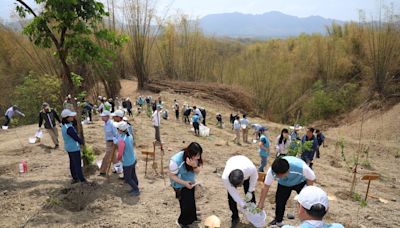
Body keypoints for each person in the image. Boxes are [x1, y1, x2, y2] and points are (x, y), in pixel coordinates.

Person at [258, 156, 316, 227]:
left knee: (306, 202)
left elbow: (311, 178)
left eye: (281, 176)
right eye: (277, 176)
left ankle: (309, 222)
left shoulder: (301, 167)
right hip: (284, 184)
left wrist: (307, 193)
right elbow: (266, 186)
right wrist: (261, 203)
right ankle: (278, 220)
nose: (278, 177)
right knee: (279, 201)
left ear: (288, 171)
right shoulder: (272, 171)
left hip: (300, 182)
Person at [169, 142, 203, 228]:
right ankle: (182, 222)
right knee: (185, 205)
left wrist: (194, 166)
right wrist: (184, 183)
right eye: (196, 155)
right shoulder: (175, 161)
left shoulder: (195, 158)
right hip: (179, 184)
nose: (198, 157)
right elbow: (172, 176)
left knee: (191, 201)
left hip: (190, 182)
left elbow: (198, 171)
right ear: (190, 154)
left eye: (199, 155)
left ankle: (191, 218)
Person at [222, 155, 258, 227]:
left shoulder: (250, 169)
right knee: (231, 198)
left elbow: (254, 178)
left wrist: (250, 191)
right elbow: (234, 194)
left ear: (243, 178)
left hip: (244, 162)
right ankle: (235, 216)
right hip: (232, 162)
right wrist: (243, 205)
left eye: (240, 184)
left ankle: (254, 215)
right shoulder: (225, 178)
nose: (239, 187)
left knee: (250, 195)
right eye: (236, 186)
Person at [60, 109, 86, 184]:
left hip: (69, 147)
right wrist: (81, 142)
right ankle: (82, 179)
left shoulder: (65, 125)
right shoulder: (69, 128)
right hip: (74, 148)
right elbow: (75, 137)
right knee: (77, 164)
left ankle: (75, 177)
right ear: (67, 118)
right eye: (71, 116)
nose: (73, 117)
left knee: (72, 163)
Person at [115, 121, 140, 196]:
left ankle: (136, 189)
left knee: (127, 178)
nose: (117, 130)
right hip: (133, 159)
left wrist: (118, 159)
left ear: (120, 130)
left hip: (127, 162)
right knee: (133, 174)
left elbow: (120, 153)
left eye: (117, 129)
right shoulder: (129, 136)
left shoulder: (122, 140)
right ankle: (136, 186)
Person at [99, 110, 117, 176]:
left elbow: (115, 134)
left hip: (112, 142)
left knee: (107, 156)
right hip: (108, 142)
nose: (102, 118)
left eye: (103, 116)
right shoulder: (105, 124)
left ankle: (102, 170)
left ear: (107, 117)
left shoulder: (112, 124)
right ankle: (117, 169)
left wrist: (115, 142)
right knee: (114, 157)